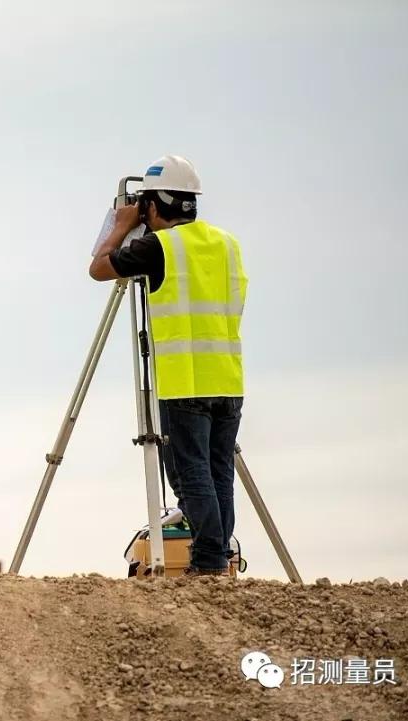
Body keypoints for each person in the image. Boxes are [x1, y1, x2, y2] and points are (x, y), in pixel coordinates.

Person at [88, 155, 247, 576]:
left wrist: (121, 226)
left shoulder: (160, 247)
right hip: (228, 378)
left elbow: (99, 268)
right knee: (219, 474)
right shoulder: (227, 244)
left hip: (183, 381)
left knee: (191, 475)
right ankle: (218, 557)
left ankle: (209, 561)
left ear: (153, 204)